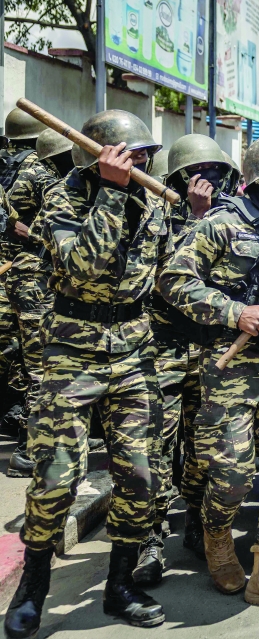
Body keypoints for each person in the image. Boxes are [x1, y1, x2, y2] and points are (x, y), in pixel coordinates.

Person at [4, 111, 171, 639]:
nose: (139, 161)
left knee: (141, 476)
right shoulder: (63, 197)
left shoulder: (156, 202)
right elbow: (82, 268)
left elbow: (161, 276)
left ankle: (119, 585)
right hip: (70, 350)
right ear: (99, 156)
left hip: (132, 350)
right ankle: (32, 588)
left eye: (143, 153)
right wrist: (113, 193)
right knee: (56, 476)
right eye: (128, 153)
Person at [158, 134, 259, 610]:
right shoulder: (221, 225)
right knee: (231, 472)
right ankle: (217, 540)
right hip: (230, 368)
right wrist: (233, 312)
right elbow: (174, 280)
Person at [136, 133, 233, 585]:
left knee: (204, 448)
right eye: (200, 173)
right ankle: (150, 535)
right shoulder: (157, 218)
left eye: (217, 172)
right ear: (179, 177)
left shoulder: (230, 219)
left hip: (212, 352)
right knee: (157, 446)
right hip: (166, 350)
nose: (209, 181)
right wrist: (195, 217)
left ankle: (196, 520)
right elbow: (169, 278)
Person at [2, 129, 75, 479]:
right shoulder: (49, 183)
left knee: (31, 361)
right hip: (34, 280)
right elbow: (48, 234)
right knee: (41, 365)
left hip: (21, 276)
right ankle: (28, 450)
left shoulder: (16, 176)